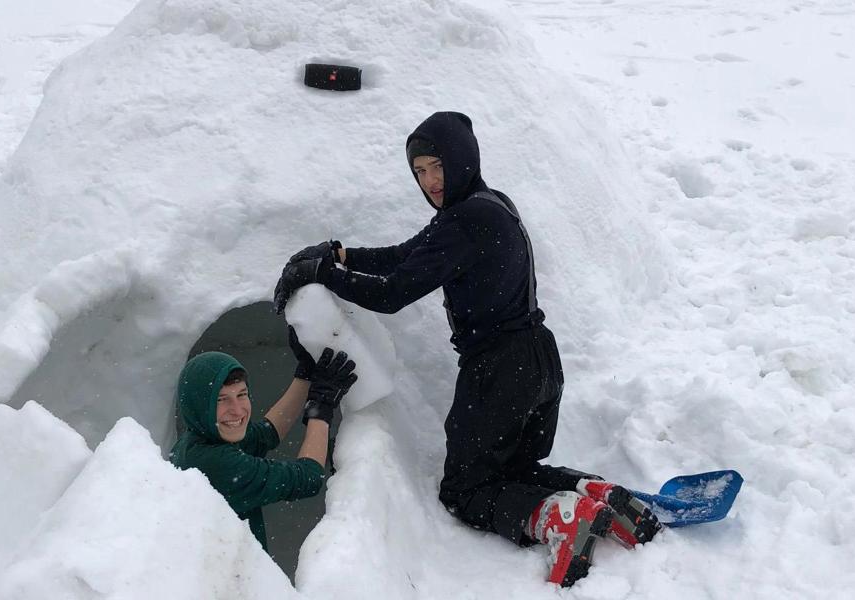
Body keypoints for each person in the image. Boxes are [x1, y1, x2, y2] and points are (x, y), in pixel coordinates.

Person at [272, 111, 661, 587]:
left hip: (499, 370)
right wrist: (340, 256)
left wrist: (318, 274)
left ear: (460, 160)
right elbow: (405, 255)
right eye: (419, 171)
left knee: (464, 491)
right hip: (540, 361)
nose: (431, 180)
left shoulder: (465, 219)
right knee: (514, 468)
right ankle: (598, 495)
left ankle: (558, 517)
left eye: (437, 166)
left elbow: (393, 291)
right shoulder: (490, 204)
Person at [169, 327, 356, 551]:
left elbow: (267, 433)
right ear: (199, 405)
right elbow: (308, 478)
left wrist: (306, 374)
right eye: (221, 400)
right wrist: (321, 408)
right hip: (234, 585)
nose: (237, 410)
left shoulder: (198, 439)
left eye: (241, 394)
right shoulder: (216, 464)